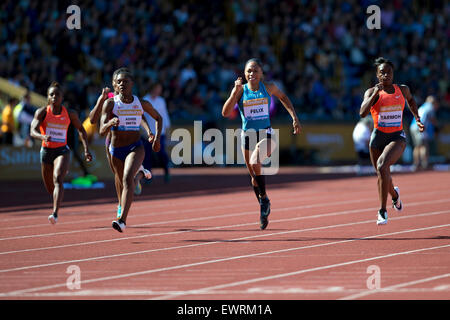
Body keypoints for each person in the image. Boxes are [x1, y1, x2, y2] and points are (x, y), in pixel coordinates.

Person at [222, 58, 301, 230]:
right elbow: (225, 113)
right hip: (247, 136)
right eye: (249, 71)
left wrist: (294, 117)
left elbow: (284, 97)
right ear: (244, 74)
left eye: (255, 71)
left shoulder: (269, 87)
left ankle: (264, 199)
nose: (252, 74)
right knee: (254, 178)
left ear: (261, 73)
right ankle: (263, 207)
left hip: (266, 134)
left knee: (255, 160)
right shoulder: (240, 91)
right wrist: (233, 93)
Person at [359, 57, 424, 225]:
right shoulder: (371, 92)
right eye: (382, 72)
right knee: (382, 173)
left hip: (397, 137)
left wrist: (417, 117)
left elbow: (410, 100)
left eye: (389, 72)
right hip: (377, 138)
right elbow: (362, 113)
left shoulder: (402, 90)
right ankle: (395, 196)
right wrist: (374, 93)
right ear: (377, 75)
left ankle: (382, 211)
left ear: (393, 74)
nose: (386, 75)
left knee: (382, 166)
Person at [100, 68, 162, 233]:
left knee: (127, 179)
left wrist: (155, 137)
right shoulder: (111, 103)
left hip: (135, 147)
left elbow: (158, 118)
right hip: (115, 149)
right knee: (123, 182)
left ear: (132, 84)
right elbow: (100, 130)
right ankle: (141, 174)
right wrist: (109, 123)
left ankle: (122, 221)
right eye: (119, 82)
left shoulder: (140, 103)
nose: (121, 84)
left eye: (125, 81)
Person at [30, 81, 92, 224]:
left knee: (58, 178)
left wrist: (86, 149)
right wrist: (42, 137)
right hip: (46, 151)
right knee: (50, 187)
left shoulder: (70, 113)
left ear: (62, 97)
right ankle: (57, 200)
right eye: (51, 94)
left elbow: (81, 130)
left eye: (57, 94)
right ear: (48, 97)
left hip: (62, 151)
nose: (54, 97)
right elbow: (32, 131)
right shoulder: (42, 112)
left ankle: (55, 213)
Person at [142, 82, 172, 182]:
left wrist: (167, 130)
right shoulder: (145, 100)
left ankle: (166, 172)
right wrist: (144, 132)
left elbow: (165, 116)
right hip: (148, 133)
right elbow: (141, 118)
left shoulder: (161, 101)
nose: (159, 90)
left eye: (160, 88)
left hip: (160, 133)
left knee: (162, 153)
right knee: (147, 156)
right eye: (157, 88)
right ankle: (148, 176)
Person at [410, 96, 439, 170]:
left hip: (413, 126)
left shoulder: (423, 106)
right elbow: (432, 119)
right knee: (424, 146)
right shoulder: (430, 107)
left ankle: (416, 164)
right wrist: (437, 126)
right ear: (433, 103)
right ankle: (424, 164)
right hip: (420, 127)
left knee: (417, 146)